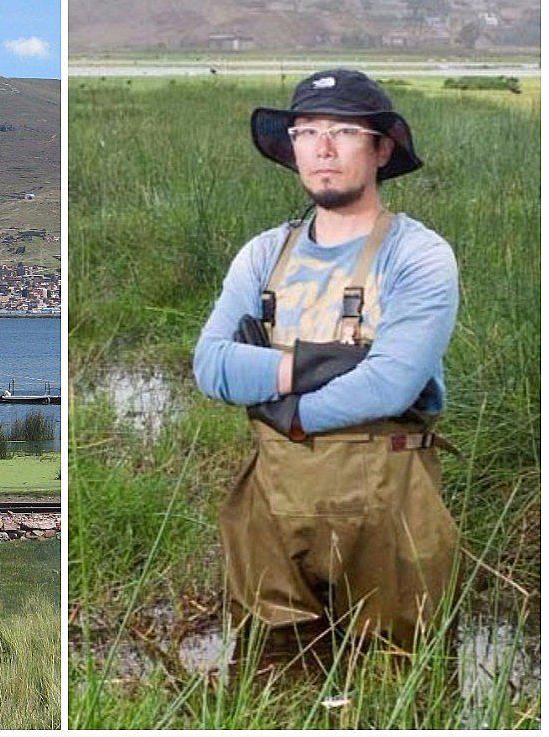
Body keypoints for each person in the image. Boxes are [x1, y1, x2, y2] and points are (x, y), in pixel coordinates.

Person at [193, 70, 459, 656]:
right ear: (292, 148)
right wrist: (324, 364)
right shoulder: (263, 253)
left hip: (391, 509)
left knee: (400, 678)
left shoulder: (419, 255)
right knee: (268, 673)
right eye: (307, 131)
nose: (324, 148)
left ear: (382, 149)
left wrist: (282, 408)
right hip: (270, 504)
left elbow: (389, 386)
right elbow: (211, 366)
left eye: (344, 131)